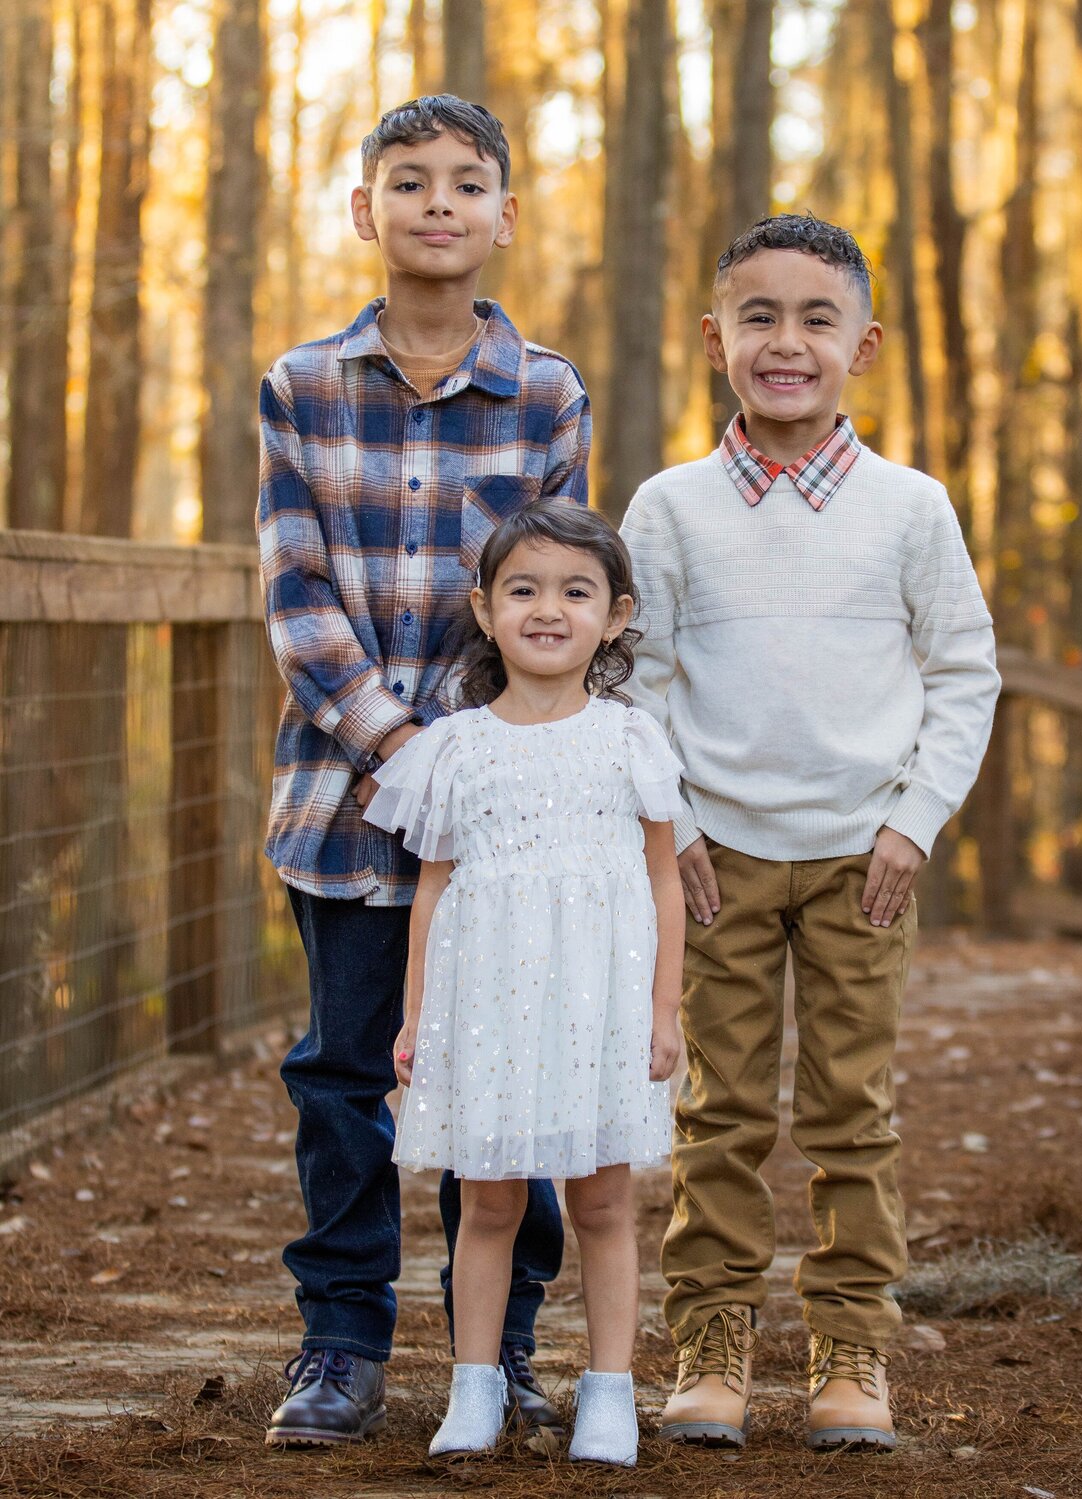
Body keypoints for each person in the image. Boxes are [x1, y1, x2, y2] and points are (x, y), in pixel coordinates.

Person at [619, 213, 1001, 1453]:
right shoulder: (669, 508)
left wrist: (914, 824)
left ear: (864, 344)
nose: (787, 341)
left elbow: (964, 671)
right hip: (714, 856)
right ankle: (712, 1339)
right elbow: (640, 676)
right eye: (760, 316)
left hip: (863, 858)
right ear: (716, 336)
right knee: (720, 1107)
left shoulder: (908, 507)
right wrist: (666, 826)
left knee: (852, 1107)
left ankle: (850, 1347)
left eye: (817, 317)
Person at [257, 94, 589, 1450]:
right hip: (342, 803)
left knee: (508, 1074)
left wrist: (469, 757)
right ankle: (339, 1341)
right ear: (365, 211)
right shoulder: (302, 386)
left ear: (506, 215)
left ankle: (497, 1347)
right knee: (342, 1074)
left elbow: (547, 590)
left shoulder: (548, 393)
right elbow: (296, 595)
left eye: (467, 184)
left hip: (504, 810)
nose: (438, 203)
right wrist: (398, 749)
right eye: (410, 182)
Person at [363, 501, 685, 1466]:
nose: (549, 609)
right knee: (489, 1204)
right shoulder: (454, 747)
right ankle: (473, 1390)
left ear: (616, 614)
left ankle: (610, 1393)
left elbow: (664, 879)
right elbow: (434, 889)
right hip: (489, 1009)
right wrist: (419, 1014)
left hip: (600, 1006)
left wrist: (664, 1009)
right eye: (525, 589)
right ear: (486, 607)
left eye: (576, 591)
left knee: (601, 1204)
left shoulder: (631, 740)